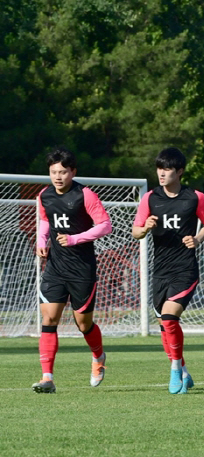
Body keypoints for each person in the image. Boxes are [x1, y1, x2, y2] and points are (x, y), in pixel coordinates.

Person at [132, 147, 204, 394]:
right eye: (159, 168)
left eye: (167, 169)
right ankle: (185, 372)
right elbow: (135, 231)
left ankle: (175, 370)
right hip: (160, 271)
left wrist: (198, 239)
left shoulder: (195, 197)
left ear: (179, 171)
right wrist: (145, 227)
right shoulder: (150, 198)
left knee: (169, 318)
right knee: (164, 327)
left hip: (185, 269)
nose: (162, 173)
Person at [32, 147, 112, 393]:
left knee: (83, 323)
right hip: (55, 267)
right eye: (53, 172)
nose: (58, 177)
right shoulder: (44, 195)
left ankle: (98, 357)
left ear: (72, 172)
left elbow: (105, 226)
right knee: (49, 319)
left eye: (63, 172)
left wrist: (75, 238)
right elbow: (45, 220)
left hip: (82, 269)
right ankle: (47, 378)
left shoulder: (85, 195)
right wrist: (42, 241)